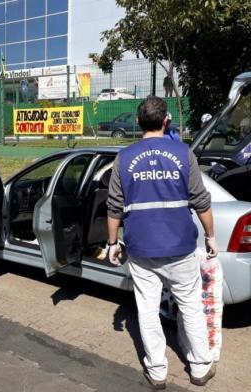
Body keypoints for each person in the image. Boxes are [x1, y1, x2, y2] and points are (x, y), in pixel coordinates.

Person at [106, 96, 217, 389]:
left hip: (142, 250)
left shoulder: (124, 158)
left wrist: (112, 243)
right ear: (166, 121)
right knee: (191, 307)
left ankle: (157, 371)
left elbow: (114, 206)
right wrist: (211, 237)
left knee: (147, 309)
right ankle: (200, 367)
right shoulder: (183, 153)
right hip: (180, 248)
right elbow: (201, 201)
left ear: (139, 122)